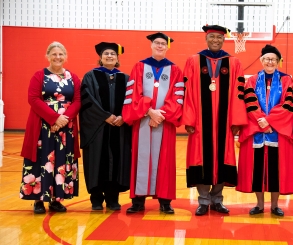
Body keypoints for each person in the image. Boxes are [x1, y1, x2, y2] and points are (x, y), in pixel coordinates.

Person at [182, 25, 247, 216]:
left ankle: (217, 200)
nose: (216, 40)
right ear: (206, 38)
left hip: (224, 122)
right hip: (200, 123)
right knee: (200, 158)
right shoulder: (193, 61)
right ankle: (203, 201)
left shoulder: (234, 63)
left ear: (224, 39)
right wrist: (189, 119)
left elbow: (238, 93)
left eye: (219, 37)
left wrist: (236, 121)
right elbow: (188, 92)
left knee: (223, 159)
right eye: (212, 37)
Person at [122, 32, 183, 214]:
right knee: (140, 159)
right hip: (142, 120)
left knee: (165, 161)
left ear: (167, 47)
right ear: (151, 45)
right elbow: (133, 94)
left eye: (163, 44)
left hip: (165, 123)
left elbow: (178, 96)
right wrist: (149, 111)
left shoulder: (175, 70)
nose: (159, 46)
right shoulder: (139, 67)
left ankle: (165, 201)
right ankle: (138, 201)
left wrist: (160, 115)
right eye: (156, 43)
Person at [19, 41, 81, 214]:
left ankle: (56, 200)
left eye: (61, 54)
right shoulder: (39, 75)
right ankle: (38, 200)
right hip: (42, 126)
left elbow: (77, 101)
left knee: (62, 161)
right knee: (41, 160)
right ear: (47, 56)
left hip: (66, 128)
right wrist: (53, 118)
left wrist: (64, 119)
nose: (57, 57)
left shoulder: (73, 77)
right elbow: (33, 99)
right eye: (54, 54)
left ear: (66, 57)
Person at [236, 45, 293, 216]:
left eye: (274, 59)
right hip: (256, 131)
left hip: (278, 132)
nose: (270, 62)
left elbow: (288, 104)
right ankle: (260, 204)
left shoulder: (286, 80)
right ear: (261, 61)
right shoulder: (252, 81)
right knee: (258, 170)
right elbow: (249, 102)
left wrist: (269, 121)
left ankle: (275, 205)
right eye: (267, 59)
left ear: (278, 62)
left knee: (275, 170)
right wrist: (261, 121)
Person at [79, 42, 132, 211]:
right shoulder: (90, 76)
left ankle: (112, 198)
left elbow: (132, 100)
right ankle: (96, 198)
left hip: (120, 127)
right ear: (100, 58)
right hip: (98, 128)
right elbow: (87, 100)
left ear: (117, 58)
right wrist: (105, 116)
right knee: (97, 161)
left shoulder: (125, 78)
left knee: (117, 160)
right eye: (106, 54)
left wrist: (124, 117)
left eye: (113, 54)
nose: (109, 56)